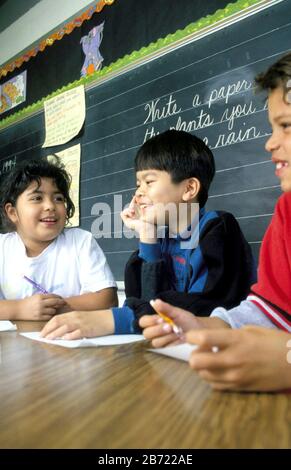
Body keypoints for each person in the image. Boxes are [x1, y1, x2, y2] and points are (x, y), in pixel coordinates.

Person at [140, 52, 291, 392]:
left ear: (189, 189)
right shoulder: (287, 212)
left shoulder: (214, 228)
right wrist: (207, 327)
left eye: (287, 126)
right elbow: (272, 309)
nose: (270, 143)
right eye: (272, 127)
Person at [40, 129, 255, 339]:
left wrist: (116, 320)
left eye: (149, 182)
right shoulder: (161, 240)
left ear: (189, 188)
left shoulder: (218, 230)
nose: (138, 192)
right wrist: (147, 234)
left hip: (222, 348)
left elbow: (202, 308)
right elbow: (147, 301)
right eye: (138, 184)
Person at [0, 158, 117, 320]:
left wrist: (48, 308)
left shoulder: (80, 241)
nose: (50, 206)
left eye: (58, 198)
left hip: (71, 339)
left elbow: (107, 300)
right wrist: (20, 309)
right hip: (16, 342)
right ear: (12, 212)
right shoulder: (2, 247)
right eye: (37, 198)